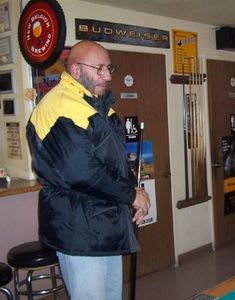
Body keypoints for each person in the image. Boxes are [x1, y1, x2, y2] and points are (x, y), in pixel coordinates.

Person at [26, 41, 150, 300]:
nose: (107, 75)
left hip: (106, 227)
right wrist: (130, 196)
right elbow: (82, 172)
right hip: (80, 232)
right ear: (76, 70)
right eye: (99, 68)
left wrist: (136, 191)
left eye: (109, 68)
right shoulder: (58, 106)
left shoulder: (101, 107)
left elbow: (114, 163)